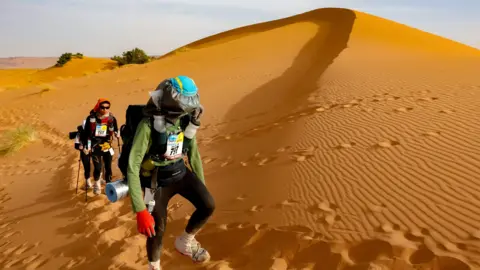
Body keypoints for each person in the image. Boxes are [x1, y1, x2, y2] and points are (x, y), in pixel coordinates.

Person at [126, 76, 215, 270]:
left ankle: (185, 242)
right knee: (156, 229)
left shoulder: (184, 120)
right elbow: (133, 166)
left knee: (208, 204)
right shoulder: (147, 125)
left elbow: (193, 152)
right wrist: (140, 209)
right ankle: (154, 266)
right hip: (155, 181)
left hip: (180, 172)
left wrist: (200, 184)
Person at [81, 98, 120, 195]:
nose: (105, 110)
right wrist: (87, 146)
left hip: (107, 145)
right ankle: (97, 185)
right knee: (98, 167)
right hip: (95, 146)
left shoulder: (111, 118)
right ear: (98, 107)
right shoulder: (91, 118)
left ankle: (109, 186)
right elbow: (87, 134)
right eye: (102, 107)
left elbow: (115, 129)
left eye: (107, 107)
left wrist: (117, 134)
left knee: (108, 167)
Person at [73, 119, 93, 189]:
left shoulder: (92, 131)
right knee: (87, 167)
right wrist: (80, 147)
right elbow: (76, 145)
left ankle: (99, 180)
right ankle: (88, 183)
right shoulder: (79, 134)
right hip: (84, 152)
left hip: (92, 150)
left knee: (98, 165)